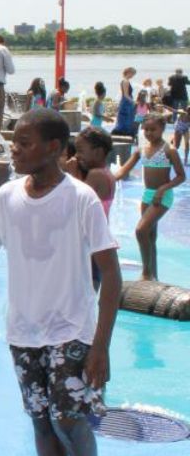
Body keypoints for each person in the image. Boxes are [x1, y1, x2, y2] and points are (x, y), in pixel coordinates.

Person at [0, 108, 121, 456]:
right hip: (23, 332)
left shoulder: (80, 198)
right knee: (41, 424)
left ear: (54, 148)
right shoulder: (6, 197)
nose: (13, 150)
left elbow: (111, 274)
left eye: (23, 143)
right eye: (14, 142)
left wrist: (101, 345)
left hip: (72, 329)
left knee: (68, 419)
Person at [114, 114, 185, 281]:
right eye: (146, 129)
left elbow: (181, 176)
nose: (149, 133)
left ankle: (146, 274)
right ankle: (155, 277)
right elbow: (123, 171)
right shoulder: (141, 150)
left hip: (163, 196)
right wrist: (105, 180)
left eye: (153, 129)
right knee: (151, 237)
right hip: (147, 196)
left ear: (162, 128)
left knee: (140, 230)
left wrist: (163, 189)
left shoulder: (170, 150)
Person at [74, 126, 117, 291]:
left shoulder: (96, 175)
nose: (77, 156)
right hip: (98, 240)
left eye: (80, 150)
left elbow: (76, 201)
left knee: (85, 290)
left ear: (98, 152)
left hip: (90, 242)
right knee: (91, 290)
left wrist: (73, 174)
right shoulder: (106, 172)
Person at [111, 67, 136, 138]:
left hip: (126, 102)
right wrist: (133, 101)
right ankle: (124, 133)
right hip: (126, 103)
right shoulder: (126, 81)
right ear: (129, 72)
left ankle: (123, 133)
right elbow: (126, 94)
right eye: (133, 74)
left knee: (125, 118)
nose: (133, 76)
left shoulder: (125, 81)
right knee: (126, 119)